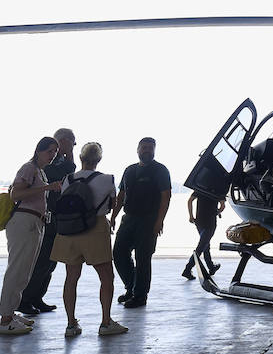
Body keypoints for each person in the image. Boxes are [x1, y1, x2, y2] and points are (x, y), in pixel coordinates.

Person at [51, 141, 127, 337]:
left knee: (71, 278)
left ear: (81, 158)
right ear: (99, 160)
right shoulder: (108, 179)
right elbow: (112, 204)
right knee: (106, 278)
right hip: (96, 228)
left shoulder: (68, 179)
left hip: (70, 230)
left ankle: (70, 324)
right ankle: (105, 322)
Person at [0, 136, 64, 335]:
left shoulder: (39, 172)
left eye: (55, 152)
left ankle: (11, 312)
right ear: (39, 150)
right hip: (24, 221)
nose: (52, 155)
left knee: (25, 271)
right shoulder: (29, 169)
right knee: (17, 269)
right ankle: (5, 318)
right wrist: (47, 187)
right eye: (49, 151)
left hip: (35, 222)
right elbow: (16, 194)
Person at [110, 137, 171, 309]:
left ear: (154, 150)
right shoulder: (129, 170)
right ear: (137, 150)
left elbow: (166, 196)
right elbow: (121, 195)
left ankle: (140, 296)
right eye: (144, 147)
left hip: (149, 220)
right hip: (129, 218)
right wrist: (113, 216)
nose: (147, 150)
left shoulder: (160, 170)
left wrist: (160, 221)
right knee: (119, 253)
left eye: (150, 148)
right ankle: (131, 287)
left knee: (143, 258)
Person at [20, 127, 76, 315]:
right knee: (41, 261)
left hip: (56, 218)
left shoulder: (60, 162)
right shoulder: (46, 163)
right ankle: (26, 299)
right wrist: (68, 155)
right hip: (44, 218)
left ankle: (37, 297)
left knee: (51, 262)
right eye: (71, 142)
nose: (73, 147)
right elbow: (67, 173)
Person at [181, 187, 225, 280]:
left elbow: (190, 201)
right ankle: (187, 269)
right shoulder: (219, 189)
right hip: (210, 222)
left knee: (205, 244)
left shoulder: (201, 187)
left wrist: (191, 215)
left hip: (199, 221)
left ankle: (211, 267)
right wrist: (217, 212)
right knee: (201, 246)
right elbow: (222, 206)